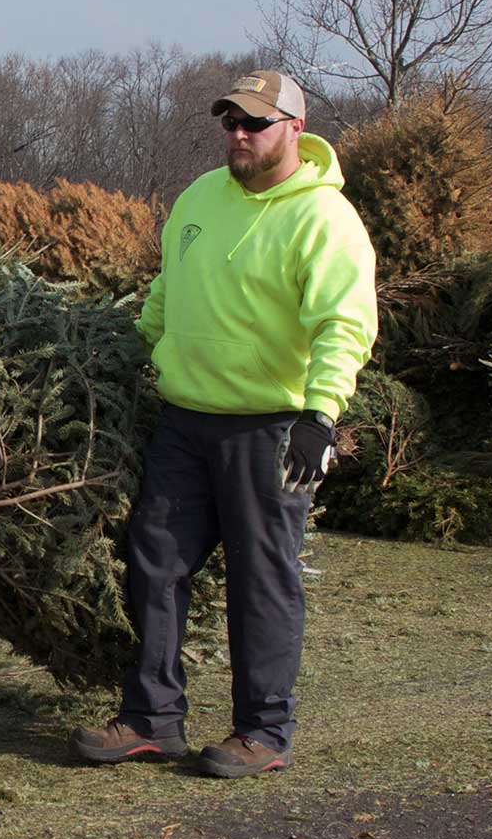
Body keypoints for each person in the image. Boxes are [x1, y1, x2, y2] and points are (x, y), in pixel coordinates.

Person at [73, 70, 377, 778]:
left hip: (269, 427)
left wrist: (320, 415)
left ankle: (263, 731)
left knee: (260, 579)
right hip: (186, 419)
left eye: (256, 123)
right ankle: (152, 718)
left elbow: (345, 324)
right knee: (154, 560)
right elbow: (167, 292)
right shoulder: (199, 198)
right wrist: (134, 347)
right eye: (231, 122)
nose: (240, 134)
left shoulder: (324, 220)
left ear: (294, 130)